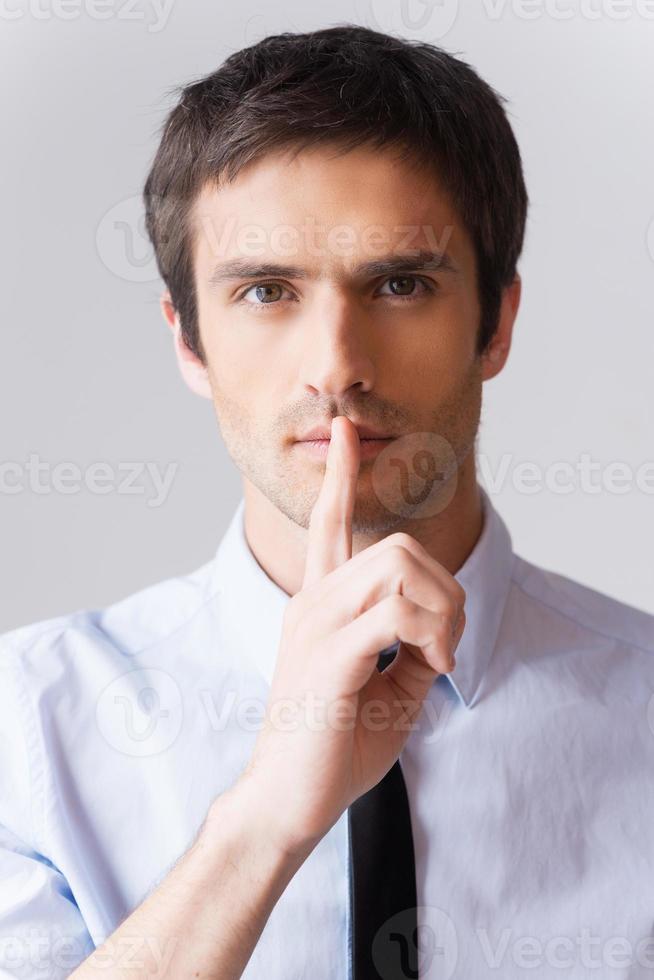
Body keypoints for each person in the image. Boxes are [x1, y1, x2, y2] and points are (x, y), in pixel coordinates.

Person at [2, 23, 653, 980]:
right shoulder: (26, 728)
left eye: (400, 283)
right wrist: (265, 817)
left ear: (496, 324)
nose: (337, 366)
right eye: (267, 291)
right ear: (188, 341)